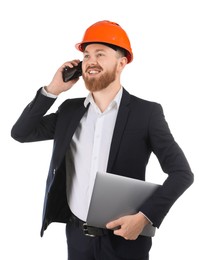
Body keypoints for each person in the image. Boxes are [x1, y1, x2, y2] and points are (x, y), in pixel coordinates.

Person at [11, 20, 194, 260]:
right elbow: (21, 133)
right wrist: (53, 89)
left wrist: (144, 218)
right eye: (86, 56)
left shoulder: (146, 113)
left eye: (100, 54)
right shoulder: (70, 111)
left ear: (121, 63)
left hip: (125, 236)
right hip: (77, 237)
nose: (90, 61)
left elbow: (182, 173)